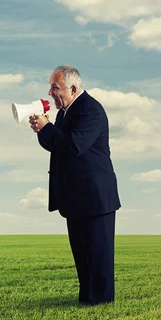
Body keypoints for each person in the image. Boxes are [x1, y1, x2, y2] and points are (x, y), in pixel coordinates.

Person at [30, 66, 120, 305]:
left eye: (54, 87)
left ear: (72, 88)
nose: (50, 93)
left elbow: (73, 146)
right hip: (78, 195)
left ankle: (100, 302)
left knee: (98, 254)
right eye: (50, 86)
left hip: (95, 196)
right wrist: (43, 130)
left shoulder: (91, 110)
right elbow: (57, 147)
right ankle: (88, 299)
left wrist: (47, 128)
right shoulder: (65, 113)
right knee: (83, 253)